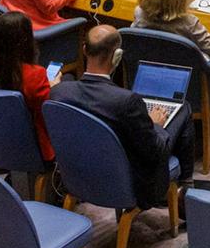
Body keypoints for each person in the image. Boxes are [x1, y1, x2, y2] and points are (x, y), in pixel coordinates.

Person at [49, 25, 195, 209]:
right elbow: (155, 152)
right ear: (117, 56)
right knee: (183, 108)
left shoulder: (59, 92)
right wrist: (156, 124)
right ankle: (186, 188)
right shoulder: (127, 102)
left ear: (84, 50)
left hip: (79, 175)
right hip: (130, 184)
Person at [0, 12, 56, 163]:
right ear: (27, 40)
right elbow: (47, 115)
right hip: (32, 147)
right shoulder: (35, 75)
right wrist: (53, 88)